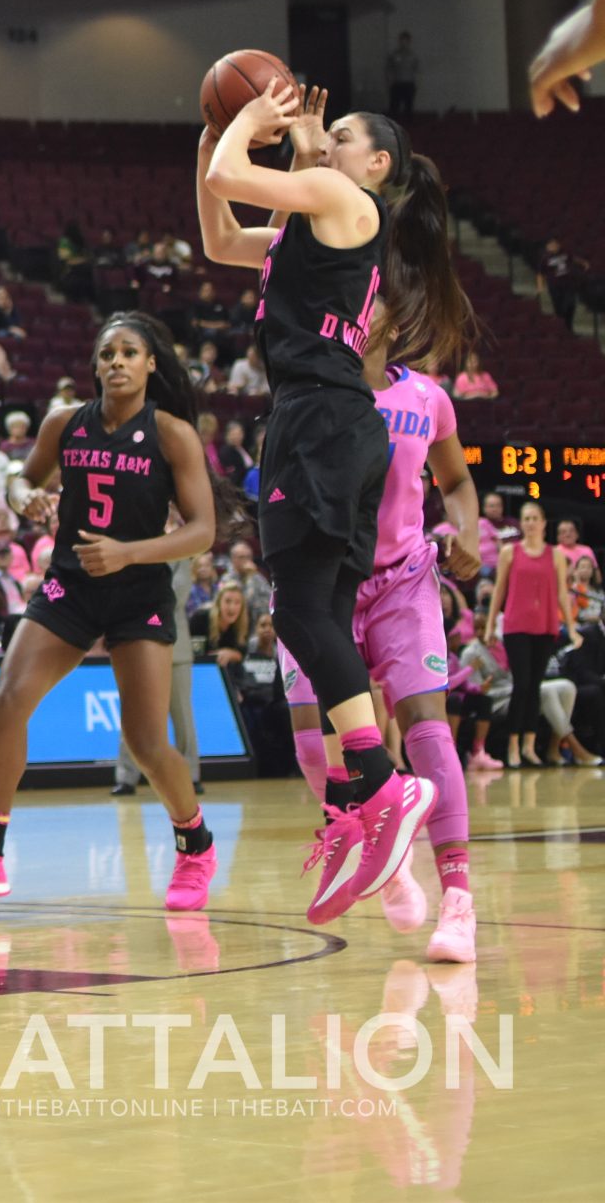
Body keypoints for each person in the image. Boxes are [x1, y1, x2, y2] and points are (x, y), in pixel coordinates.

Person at [198, 82, 471, 923]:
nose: (328, 136)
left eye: (344, 132)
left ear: (376, 164)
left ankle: (385, 788)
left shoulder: (342, 196)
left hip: (318, 418)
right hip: (334, 427)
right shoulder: (311, 221)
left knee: (300, 612)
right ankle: (366, 799)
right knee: (316, 612)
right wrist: (216, 135)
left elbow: (228, 176)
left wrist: (249, 124)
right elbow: (217, 231)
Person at [0, 314, 231, 911]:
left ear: (152, 364)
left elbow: (203, 531)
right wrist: (29, 499)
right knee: (7, 700)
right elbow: (21, 483)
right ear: (95, 366)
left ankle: (195, 845)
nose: (117, 362)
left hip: (139, 591)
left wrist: (129, 552)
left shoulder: (172, 434)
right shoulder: (64, 423)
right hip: (71, 584)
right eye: (107, 354)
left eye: (130, 352)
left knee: (146, 741)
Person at [279, 306, 482, 958]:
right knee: (314, 746)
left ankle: (458, 899)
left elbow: (456, 481)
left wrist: (468, 531)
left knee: (426, 725)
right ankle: (389, 861)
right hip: (321, 581)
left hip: (402, 578)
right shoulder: (311, 389)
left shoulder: (428, 396)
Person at [487, 501, 571, 771]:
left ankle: (529, 747)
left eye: (535, 517)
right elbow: (498, 591)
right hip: (516, 627)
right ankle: (513, 745)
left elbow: (561, 594)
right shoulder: (510, 552)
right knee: (521, 684)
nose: (531, 522)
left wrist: (571, 624)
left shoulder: (555, 554)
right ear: (521, 523)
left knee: (535, 686)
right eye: (526, 518)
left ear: (544, 523)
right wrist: (490, 626)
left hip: (545, 625)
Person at [385, 30, 420, 119]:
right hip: (397, 83)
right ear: (399, 41)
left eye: (406, 41)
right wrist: (389, 82)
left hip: (409, 83)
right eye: (402, 41)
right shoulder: (394, 55)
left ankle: (409, 126)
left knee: (408, 106)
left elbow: (416, 70)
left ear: (409, 42)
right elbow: (389, 69)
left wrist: (416, 83)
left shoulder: (413, 56)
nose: (404, 43)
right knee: (394, 107)